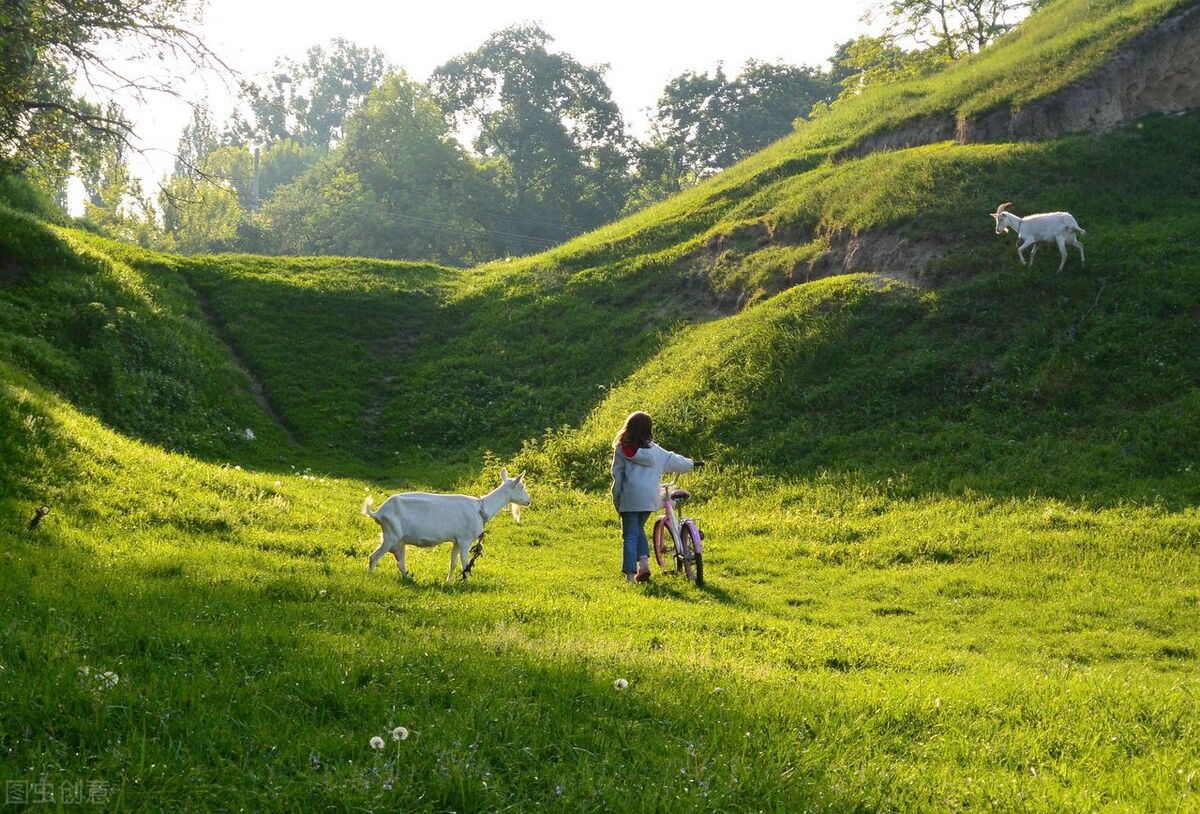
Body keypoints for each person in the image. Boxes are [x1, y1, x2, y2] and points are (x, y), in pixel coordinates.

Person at [610, 411, 699, 583]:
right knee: (638, 529)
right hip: (649, 498)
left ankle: (630, 576)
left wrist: (617, 498)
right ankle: (644, 565)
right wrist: (691, 463)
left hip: (630, 497)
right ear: (648, 429)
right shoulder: (656, 451)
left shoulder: (621, 450)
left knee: (629, 535)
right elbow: (675, 460)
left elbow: (617, 476)